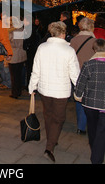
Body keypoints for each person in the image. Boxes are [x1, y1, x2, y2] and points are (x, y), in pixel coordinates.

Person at [28, 21, 80, 163]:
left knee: (48, 115)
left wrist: (32, 87)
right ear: (63, 33)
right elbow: (75, 74)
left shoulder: (42, 47)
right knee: (59, 119)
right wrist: (80, 90)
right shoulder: (69, 50)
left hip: (44, 89)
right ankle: (50, 147)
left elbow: (36, 69)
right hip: (61, 91)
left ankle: (52, 139)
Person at [74, 39, 105, 164]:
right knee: (103, 132)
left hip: (90, 104)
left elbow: (81, 83)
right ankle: (97, 157)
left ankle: (95, 154)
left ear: (94, 49)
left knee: (92, 128)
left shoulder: (88, 65)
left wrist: (78, 95)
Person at [69, 17, 97, 135]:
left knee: (79, 99)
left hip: (77, 74)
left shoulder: (74, 40)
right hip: (92, 73)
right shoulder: (96, 41)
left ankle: (81, 127)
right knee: (91, 99)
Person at [8, 17, 27, 99]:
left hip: (14, 55)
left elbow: (13, 42)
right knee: (19, 75)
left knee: (14, 76)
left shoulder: (13, 31)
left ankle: (15, 93)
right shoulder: (22, 29)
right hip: (22, 55)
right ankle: (19, 91)